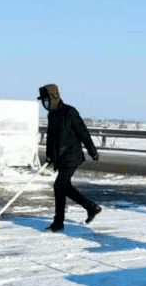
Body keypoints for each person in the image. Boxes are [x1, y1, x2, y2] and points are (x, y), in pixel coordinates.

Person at [38, 83, 101, 232]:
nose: (45, 104)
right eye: (43, 101)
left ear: (54, 97)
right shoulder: (51, 115)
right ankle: (92, 207)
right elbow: (51, 137)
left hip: (72, 156)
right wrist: (49, 155)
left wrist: (92, 151)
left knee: (59, 186)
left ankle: (58, 222)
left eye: (47, 100)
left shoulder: (70, 112)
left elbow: (83, 132)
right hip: (60, 157)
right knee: (66, 187)